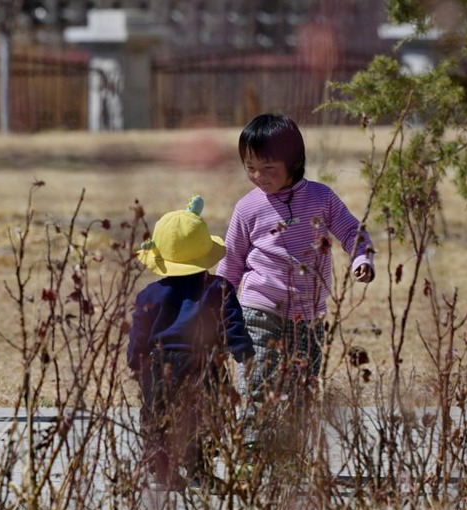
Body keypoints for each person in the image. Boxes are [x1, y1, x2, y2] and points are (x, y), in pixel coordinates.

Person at [216, 113, 375, 403]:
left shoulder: (320, 197)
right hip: (259, 310)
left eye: (268, 168)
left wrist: (361, 259)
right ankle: (252, 446)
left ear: (294, 162)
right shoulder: (247, 208)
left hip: (309, 317)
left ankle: (294, 446)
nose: (258, 176)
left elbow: (352, 230)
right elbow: (232, 262)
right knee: (258, 388)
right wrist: (219, 306)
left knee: (303, 394)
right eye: (250, 167)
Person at [128, 195, 254, 490]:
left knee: (156, 416)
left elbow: (139, 335)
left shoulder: (149, 295)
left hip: (159, 365)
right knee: (207, 417)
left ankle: (160, 471)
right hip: (204, 363)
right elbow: (233, 322)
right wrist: (242, 351)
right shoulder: (219, 287)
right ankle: (198, 467)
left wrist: (136, 361)